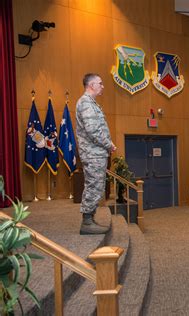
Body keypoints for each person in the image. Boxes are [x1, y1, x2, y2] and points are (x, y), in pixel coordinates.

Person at [76, 73, 116, 235]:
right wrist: (109, 144)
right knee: (94, 186)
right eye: (100, 83)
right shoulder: (86, 103)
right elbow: (93, 130)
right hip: (93, 154)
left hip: (96, 153)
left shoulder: (91, 103)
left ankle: (90, 219)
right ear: (91, 85)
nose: (102, 86)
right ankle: (86, 222)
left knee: (96, 186)